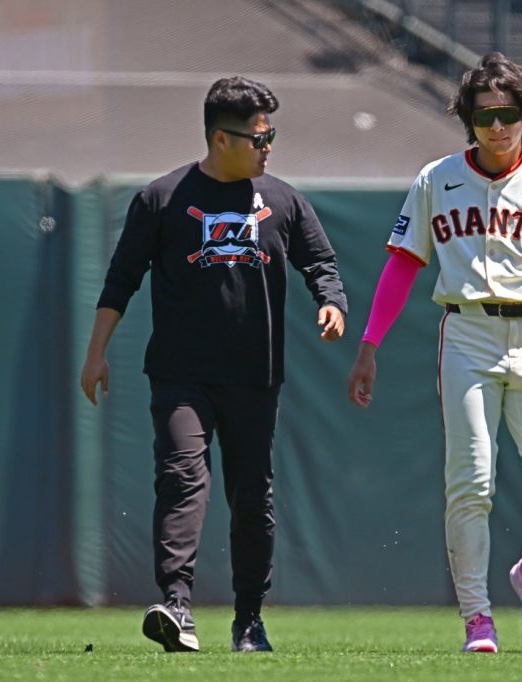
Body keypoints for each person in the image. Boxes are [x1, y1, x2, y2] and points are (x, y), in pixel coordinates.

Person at [79, 76, 347, 653]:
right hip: (181, 374)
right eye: (260, 136)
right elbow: (121, 279)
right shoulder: (161, 198)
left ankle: (249, 620)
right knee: (181, 480)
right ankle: (177, 606)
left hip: (255, 375)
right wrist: (96, 352)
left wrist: (332, 301)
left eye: (272, 134)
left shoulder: (283, 201)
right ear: (221, 139)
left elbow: (321, 263)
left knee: (253, 496)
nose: (269, 144)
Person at [346, 52, 522, 653]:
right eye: (485, 115)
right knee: (472, 482)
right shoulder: (437, 177)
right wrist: (369, 345)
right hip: (468, 333)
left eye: (509, 113)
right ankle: (477, 617)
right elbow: (404, 264)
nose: (498, 126)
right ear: (468, 119)